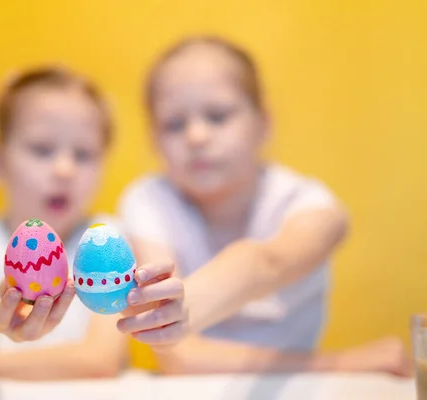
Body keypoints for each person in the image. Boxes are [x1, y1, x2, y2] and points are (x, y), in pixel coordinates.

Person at [116, 36, 411, 376]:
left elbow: (267, 262)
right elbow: (179, 357)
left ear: (264, 122)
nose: (196, 136)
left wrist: (185, 306)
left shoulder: (309, 204)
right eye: (174, 124)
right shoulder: (148, 199)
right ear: (155, 141)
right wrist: (342, 363)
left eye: (217, 116)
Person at [0, 66, 186, 380]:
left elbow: (97, 361)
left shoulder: (108, 240)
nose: (65, 169)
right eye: (42, 149)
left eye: (83, 154)